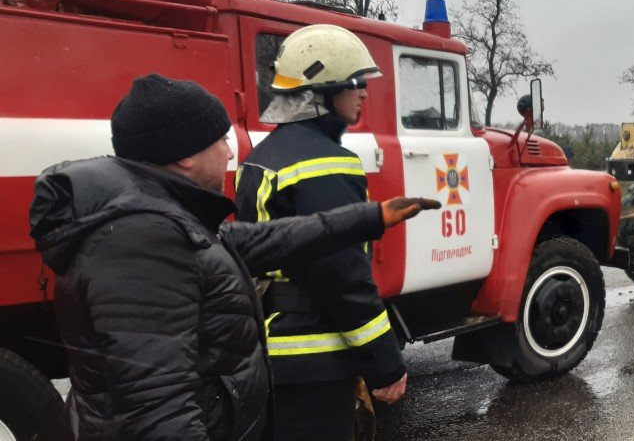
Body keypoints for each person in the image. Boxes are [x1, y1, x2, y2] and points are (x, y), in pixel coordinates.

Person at [27, 74, 437, 440]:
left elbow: (260, 240)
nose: (229, 153)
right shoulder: (140, 242)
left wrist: (369, 217)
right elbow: (158, 405)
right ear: (185, 155)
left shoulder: (162, 219)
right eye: (221, 140)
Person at [234, 24, 404, 441]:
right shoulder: (329, 164)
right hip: (315, 356)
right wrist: (385, 363)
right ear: (323, 91)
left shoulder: (262, 157)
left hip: (269, 349)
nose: (364, 92)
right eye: (356, 82)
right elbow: (343, 273)